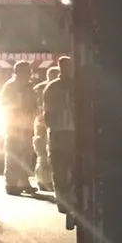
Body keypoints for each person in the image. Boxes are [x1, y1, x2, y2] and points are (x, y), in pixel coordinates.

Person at [46, 55, 77, 222]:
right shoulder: (75, 86)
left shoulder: (52, 87)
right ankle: (66, 199)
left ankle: (65, 199)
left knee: (63, 167)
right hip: (66, 131)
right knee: (64, 167)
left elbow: (46, 112)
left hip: (61, 132)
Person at [0, 61, 38, 195]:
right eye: (27, 71)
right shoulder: (10, 86)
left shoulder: (29, 87)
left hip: (26, 125)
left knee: (26, 155)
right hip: (14, 127)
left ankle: (23, 183)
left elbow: (34, 104)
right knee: (13, 155)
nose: (29, 74)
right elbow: (5, 105)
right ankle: (11, 184)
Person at [32, 64, 59, 192]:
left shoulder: (38, 88)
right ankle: (49, 181)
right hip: (51, 125)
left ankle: (42, 181)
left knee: (41, 155)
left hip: (39, 125)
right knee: (49, 155)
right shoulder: (56, 88)